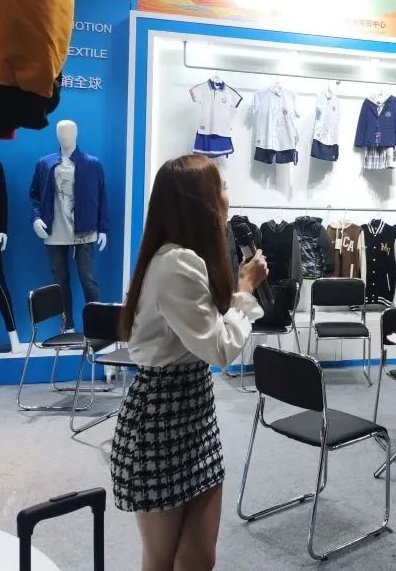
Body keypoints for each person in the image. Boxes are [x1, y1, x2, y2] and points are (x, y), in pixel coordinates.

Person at [111, 155, 268, 571]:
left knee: (199, 557)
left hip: (192, 410)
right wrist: (245, 290)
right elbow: (219, 349)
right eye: (221, 189)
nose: (228, 198)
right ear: (200, 203)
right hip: (162, 419)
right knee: (161, 560)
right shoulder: (176, 263)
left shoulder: (183, 258)